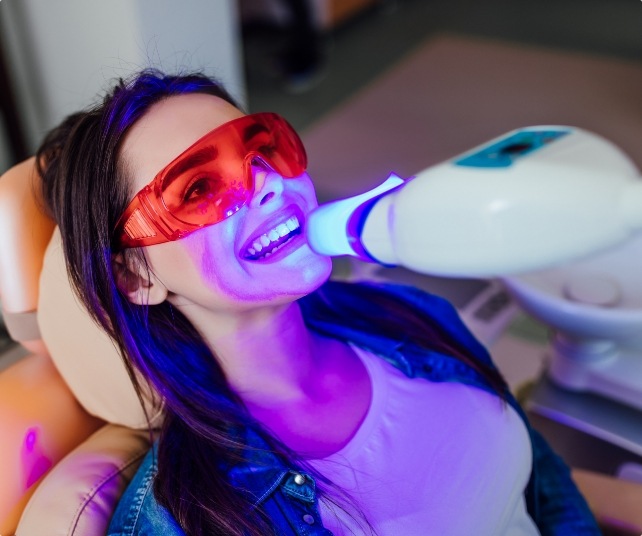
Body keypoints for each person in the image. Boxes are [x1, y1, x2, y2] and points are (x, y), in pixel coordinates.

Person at [36, 69, 600, 535]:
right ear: (136, 277)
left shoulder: (413, 313)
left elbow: (546, 491)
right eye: (199, 189)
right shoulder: (183, 521)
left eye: (262, 149)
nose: (267, 185)